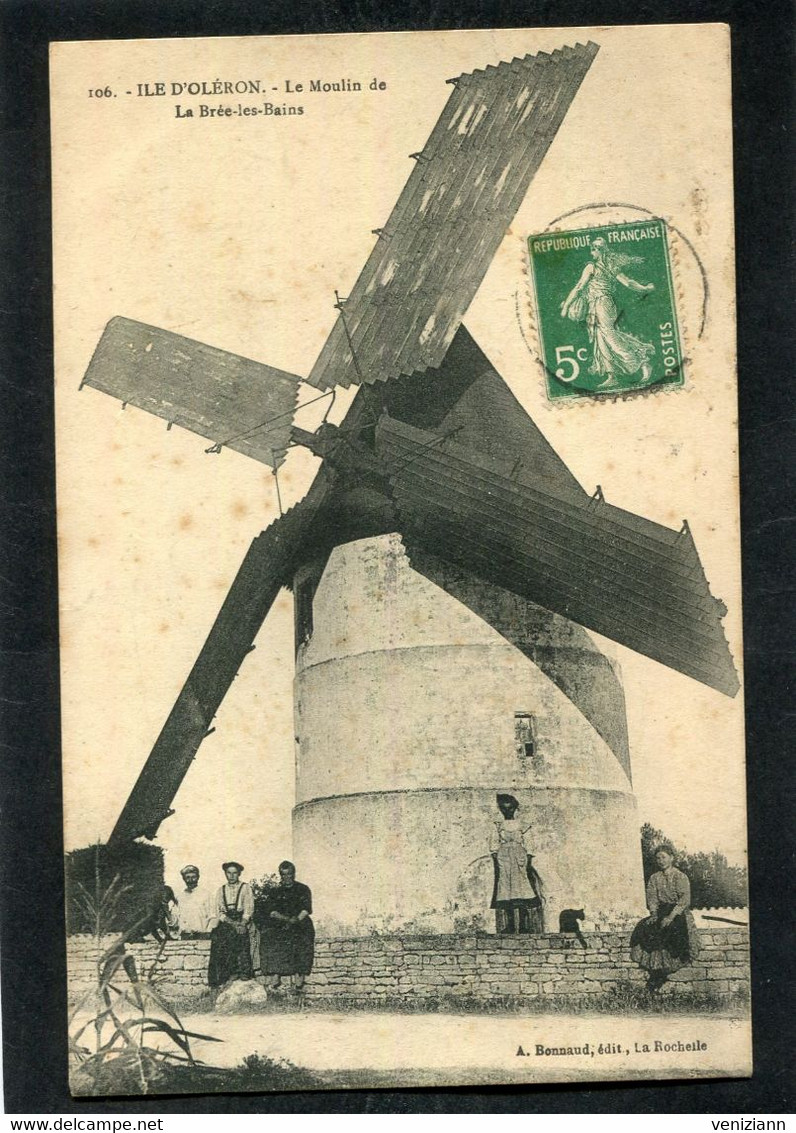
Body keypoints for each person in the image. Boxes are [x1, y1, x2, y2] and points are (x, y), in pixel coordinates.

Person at [560, 236, 655, 388]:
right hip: (600, 304)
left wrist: (566, 307)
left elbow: (579, 287)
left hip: (602, 304)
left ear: (598, 251)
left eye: (594, 249)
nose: (592, 253)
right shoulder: (610, 266)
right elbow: (628, 283)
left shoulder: (591, 267)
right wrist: (645, 288)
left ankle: (642, 362)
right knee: (601, 338)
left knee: (609, 335)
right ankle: (612, 376)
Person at [630, 844, 701, 992]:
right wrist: (654, 914)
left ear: (671, 858)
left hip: (678, 912)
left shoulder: (680, 876)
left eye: (663, 857)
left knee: (671, 928)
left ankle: (665, 970)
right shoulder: (654, 878)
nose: (660, 860)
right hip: (661, 911)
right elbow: (652, 898)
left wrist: (671, 916)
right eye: (657, 858)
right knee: (645, 927)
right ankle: (656, 969)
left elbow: (684, 900)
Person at [255, 861, 315, 993]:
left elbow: (306, 909)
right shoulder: (275, 891)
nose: (286, 877)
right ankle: (275, 973)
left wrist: (296, 919)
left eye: (289, 874)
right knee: (270, 936)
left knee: (302, 938)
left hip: (299, 921)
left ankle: (300, 975)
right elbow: (272, 912)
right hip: (281, 922)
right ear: (280, 875)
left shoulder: (303, 889)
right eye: (283, 875)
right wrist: (286, 919)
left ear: (294, 874)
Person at [489, 793, 545, 934]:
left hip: (519, 856)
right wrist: (497, 860)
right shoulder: (498, 825)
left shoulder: (523, 825)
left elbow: (530, 844)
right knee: (505, 889)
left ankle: (524, 925)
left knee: (522, 888)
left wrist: (528, 861)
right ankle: (510, 925)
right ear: (501, 810)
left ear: (515, 808)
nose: (508, 812)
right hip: (504, 857)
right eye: (504, 809)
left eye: (510, 809)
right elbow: (494, 843)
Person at [207, 861, 255, 988]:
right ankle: (224, 976)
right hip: (228, 921)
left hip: (242, 920)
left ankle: (244, 972)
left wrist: (243, 923)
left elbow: (248, 908)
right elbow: (220, 912)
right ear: (225, 874)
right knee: (219, 939)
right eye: (229, 873)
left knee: (242, 937)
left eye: (234, 873)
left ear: (239, 874)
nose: (232, 876)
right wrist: (233, 923)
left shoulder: (246, 888)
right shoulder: (221, 890)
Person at [177, 864, 211, 938]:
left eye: (193, 877)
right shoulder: (180, 896)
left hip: (202, 935)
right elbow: (177, 916)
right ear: (184, 879)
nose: (191, 880)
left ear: (198, 877)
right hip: (185, 935)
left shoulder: (206, 894)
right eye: (188, 877)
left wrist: (208, 932)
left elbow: (212, 916)